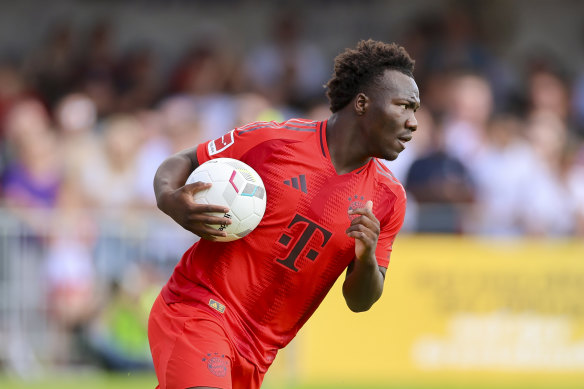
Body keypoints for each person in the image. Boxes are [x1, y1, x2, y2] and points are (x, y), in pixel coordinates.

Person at [148, 39, 419, 389]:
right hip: (199, 309)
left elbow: (360, 300)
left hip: (259, 353)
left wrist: (366, 257)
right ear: (363, 103)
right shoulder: (273, 141)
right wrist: (170, 200)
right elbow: (182, 161)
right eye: (404, 107)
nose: (413, 123)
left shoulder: (389, 198)